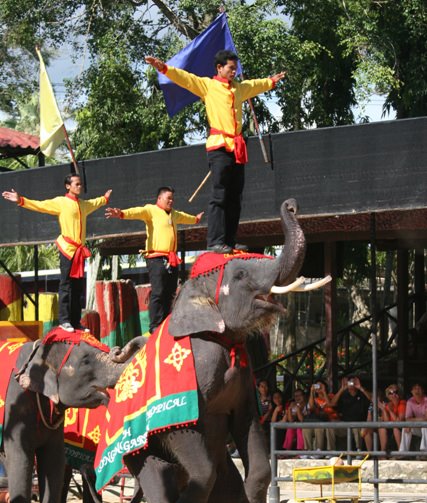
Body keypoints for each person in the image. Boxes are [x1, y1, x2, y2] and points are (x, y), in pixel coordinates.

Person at [145, 51, 285, 253]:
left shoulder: (239, 88)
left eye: (235, 68)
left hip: (237, 148)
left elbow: (256, 85)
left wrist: (272, 81)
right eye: (230, 68)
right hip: (219, 146)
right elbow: (185, 78)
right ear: (219, 68)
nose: (234, 71)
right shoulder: (208, 86)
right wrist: (162, 67)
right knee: (219, 196)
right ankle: (215, 242)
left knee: (235, 197)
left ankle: (229, 240)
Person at [2, 175, 111, 332]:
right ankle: (64, 321)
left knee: (77, 287)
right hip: (67, 250)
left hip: (79, 253)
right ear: (68, 186)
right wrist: (21, 200)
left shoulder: (83, 204)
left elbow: (96, 203)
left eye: (80, 184)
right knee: (66, 285)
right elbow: (40, 205)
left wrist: (105, 198)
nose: (80, 186)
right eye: (77, 184)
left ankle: (75, 322)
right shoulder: (61, 202)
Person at [106, 187, 203, 334]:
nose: (171, 201)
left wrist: (195, 219)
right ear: (159, 198)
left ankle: (167, 321)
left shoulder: (174, 214)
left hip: (171, 258)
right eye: (168, 198)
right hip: (156, 257)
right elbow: (136, 212)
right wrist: (121, 213)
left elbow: (185, 217)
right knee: (158, 291)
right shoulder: (150, 210)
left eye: (172, 199)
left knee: (170, 292)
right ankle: (155, 325)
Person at [331, 375, 371, 452]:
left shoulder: (362, 394)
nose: (352, 384)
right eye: (350, 382)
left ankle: (358, 450)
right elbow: (332, 403)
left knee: (355, 426)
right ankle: (330, 451)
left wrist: (360, 388)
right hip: (344, 425)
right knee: (330, 427)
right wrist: (342, 389)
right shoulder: (343, 394)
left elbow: (372, 399)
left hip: (359, 424)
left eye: (354, 382)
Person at [306, 380, 339, 455]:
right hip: (320, 420)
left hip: (332, 420)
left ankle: (331, 451)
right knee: (306, 427)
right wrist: (311, 392)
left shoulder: (331, 396)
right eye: (317, 386)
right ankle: (308, 450)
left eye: (320, 386)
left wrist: (324, 392)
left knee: (327, 426)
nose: (319, 388)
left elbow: (330, 404)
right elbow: (311, 407)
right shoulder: (315, 399)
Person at [399, 382, 427, 454]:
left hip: (425, 427)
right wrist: (420, 419)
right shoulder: (410, 401)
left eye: (419, 388)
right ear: (412, 392)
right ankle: (403, 453)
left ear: (423, 391)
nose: (417, 391)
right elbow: (407, 419)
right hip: (419, 427)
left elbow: (426, 419)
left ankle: (424, 452)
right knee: (406, 426)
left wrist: (414, 420)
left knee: (425, 426)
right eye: (415, 389)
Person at [281, 388, 306, 455]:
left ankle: (300, 452)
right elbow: (290, 420)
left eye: (299, 395)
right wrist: (289, 409)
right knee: (290, 428)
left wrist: (298, 410)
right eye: (296, 396)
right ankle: (287, 451)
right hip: (296, 425)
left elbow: (302, 420)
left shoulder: (307, 404)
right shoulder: (295, 405)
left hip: (306, 425)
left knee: (299, 429)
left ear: (304, 396)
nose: (298, 398)